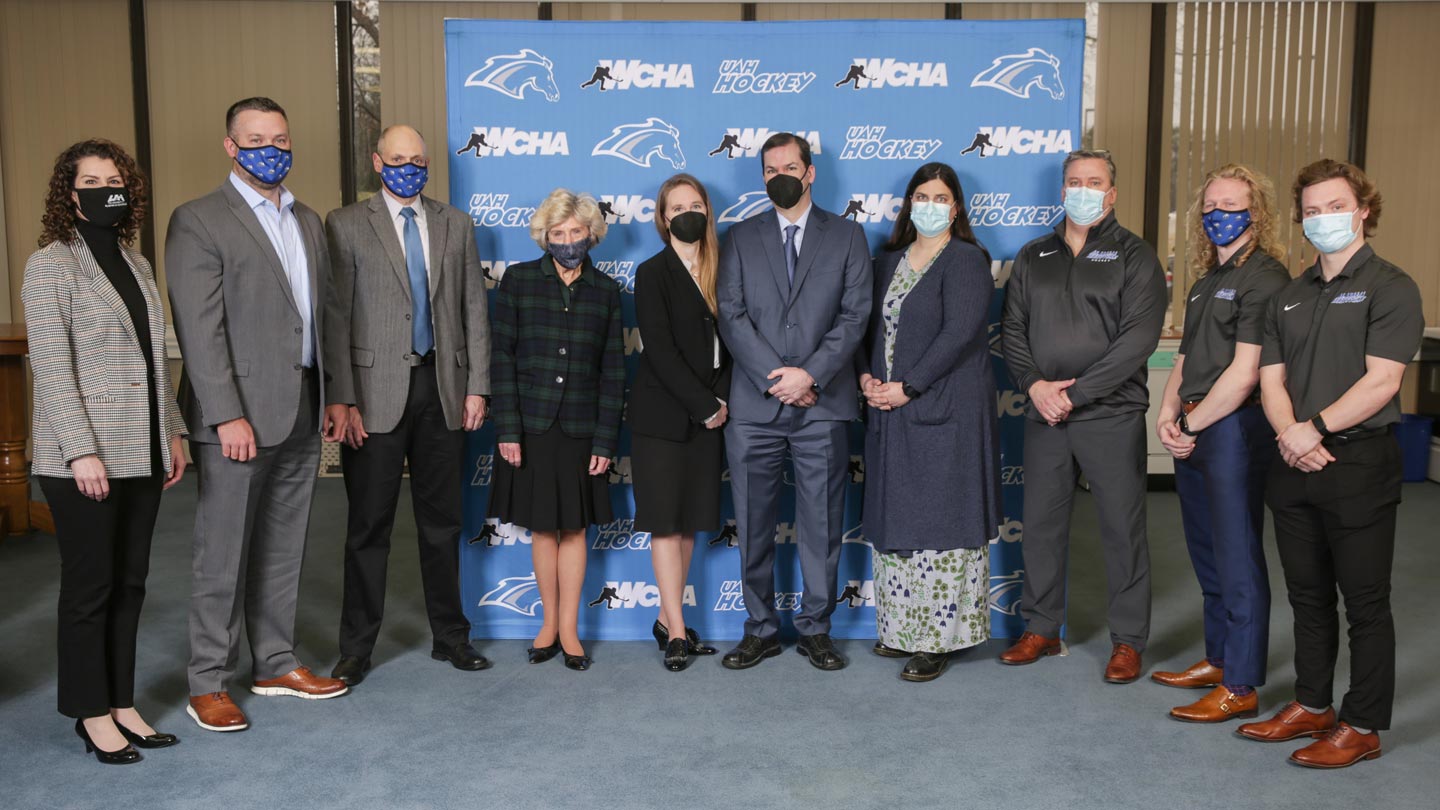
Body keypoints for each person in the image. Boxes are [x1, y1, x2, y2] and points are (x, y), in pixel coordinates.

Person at [167, 97, 352, 732]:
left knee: (282, 546)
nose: (269, 149)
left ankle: (274, 661)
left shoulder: (306, 218)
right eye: (254, 139)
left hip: (301, 405)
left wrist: (335, 395)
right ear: (230, 147)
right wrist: (224, 415)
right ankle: (208, 680)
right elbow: (200, 328)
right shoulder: (198, 220)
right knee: (221, 551)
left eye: (279, 137)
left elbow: (326, 314)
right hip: (237, 416)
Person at [1237, 159, 1423, 769]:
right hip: (1293, 462)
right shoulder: (1288, 296)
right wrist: (1292, 435)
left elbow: (1383, 381)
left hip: (1358, 462)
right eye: (1312, 211)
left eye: (1336, 206)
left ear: (1364, 208)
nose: (1325, 219)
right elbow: (1270, 380)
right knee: (1307, 595)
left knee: (1364, 600)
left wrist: (1310, 430)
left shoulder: (1392, 286)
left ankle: (1363, 724)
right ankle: (1312, 704)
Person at [23, 139, 188, 764]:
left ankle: (123, 702)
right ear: (71, 193)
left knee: (131, 583)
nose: (103, 188)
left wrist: (171, 430)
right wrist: (79, 452)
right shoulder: (51, 265)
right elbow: (53, 368)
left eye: (113, 178)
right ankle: (90, 712)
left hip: (141, 446)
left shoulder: (137, 262)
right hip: (83, 454)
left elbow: (155, 360)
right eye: (89, 179)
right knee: (89, 588)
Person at [324, 125, 493, 686]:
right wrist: (341, 397)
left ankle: (450, 636)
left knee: (442, 523)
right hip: (373, 396)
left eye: (417, 160)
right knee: (367, 526)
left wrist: (477, 386)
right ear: (377, 162)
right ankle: (356, 648)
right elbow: (336, 319)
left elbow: (474, 310)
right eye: (397, 159)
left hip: (441, 389)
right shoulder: (346, 224)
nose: (408, 169)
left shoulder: (456, 224)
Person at [999, 149, 1166, 683]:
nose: (1083, 189)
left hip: (1110, 414)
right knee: (1042, 529)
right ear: (1062, 189)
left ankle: (1127, 641)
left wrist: (1077, 394)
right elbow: (1013, 331)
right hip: (1044, 413)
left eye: (1094, 182)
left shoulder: (1135, 256)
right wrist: (1036, 386)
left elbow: (1136, 341)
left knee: (1122, 529)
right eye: (1074, 181)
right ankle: (1042, 628)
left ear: (1112, 193)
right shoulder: (1033, 256)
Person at [716, 132, 872, 671]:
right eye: (768, 169)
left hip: (821, 406)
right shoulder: (738, 238)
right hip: (755, 408)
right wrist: (775, 377)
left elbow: (855, 316)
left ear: (810, 173)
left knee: (822, 527)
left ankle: (815, 629)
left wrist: (810, 375)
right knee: (752, 522)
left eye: (788, 166)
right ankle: (759, 628)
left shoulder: (849, 236)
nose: (778, 175)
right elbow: (731, 316)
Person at [1151, 165, 1290, 723]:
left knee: (1237, 556)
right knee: (1206, 550)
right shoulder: (1207, 277)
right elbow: (1187, 357)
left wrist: (1191, 426)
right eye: (1209, 205)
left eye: (1231, 204)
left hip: (1233, 427)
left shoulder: (1266, 277)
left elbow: (1245, 372)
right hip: (1196, 422)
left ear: (1257, 212)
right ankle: (1217, 657)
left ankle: (1241, 683)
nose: (1217, 214)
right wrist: (1167, 410)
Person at [857, 162, 1000, 683]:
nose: (930, 204)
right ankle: (900, 632)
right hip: (890, 412)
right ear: (908, 203)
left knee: (943, 524)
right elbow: (864, 328)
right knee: (897, 520)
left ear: (956, 206)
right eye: (921, 195)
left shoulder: (966, 260)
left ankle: (937, 639)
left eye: (941, 197)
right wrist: (867, 379)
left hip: (945, 410)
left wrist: (908, 386)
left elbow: (959, 333)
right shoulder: (886, 262)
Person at [488, 189, 624, 672]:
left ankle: (570, 629)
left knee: (575, 529)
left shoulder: (607, 292)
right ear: (545, 237)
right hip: (531, 425)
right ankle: (546, 623)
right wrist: (507, 427)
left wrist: (606, 439)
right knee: (543, 527)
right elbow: (499, 358)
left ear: (591, 234)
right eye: (558, 234)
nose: (567, 241)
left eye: (576, 232)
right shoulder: (520, 282)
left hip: (584, 430)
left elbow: (613, 372)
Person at [627, 173, 731, 672]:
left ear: (707, 211)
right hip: (664, 418)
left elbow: (734, 343)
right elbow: (661, 353)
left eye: (696, 204)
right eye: (676, 206)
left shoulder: (722, 266)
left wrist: (722, 399)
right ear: (663, 217)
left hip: (712, 415)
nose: (687, 212)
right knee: (665, 527)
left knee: (689, 525)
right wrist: (706, 405)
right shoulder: (652, 272)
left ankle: (670, 619)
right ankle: (675, 631)